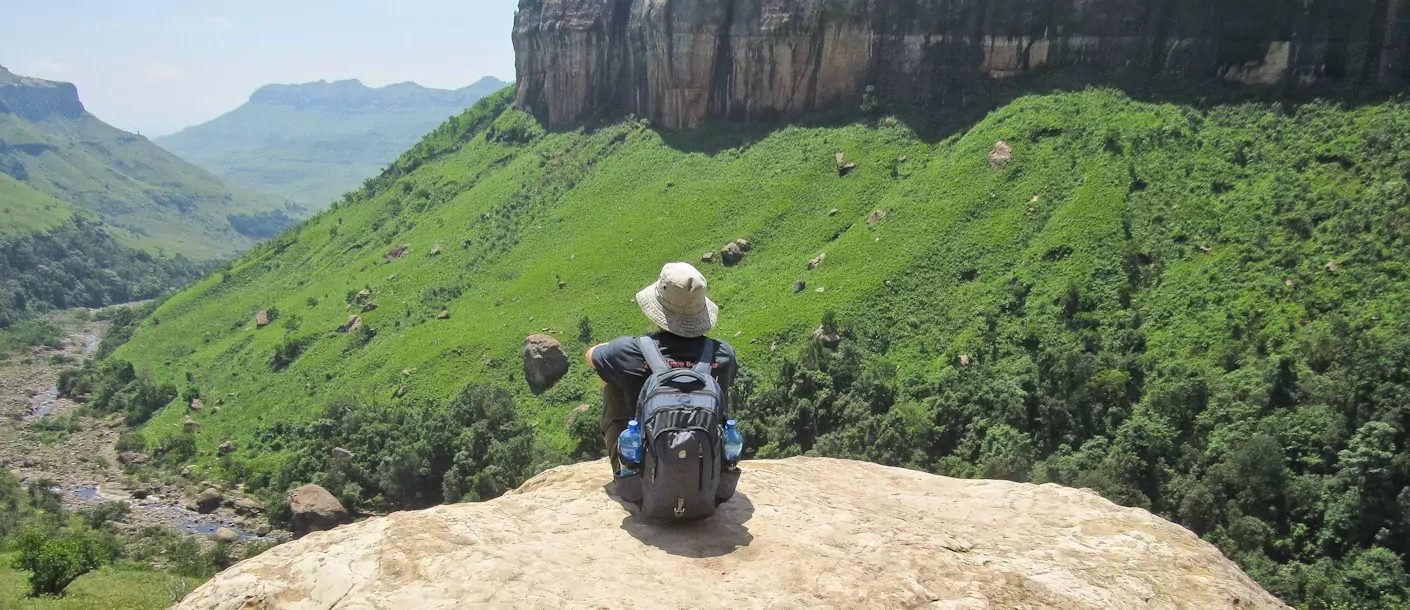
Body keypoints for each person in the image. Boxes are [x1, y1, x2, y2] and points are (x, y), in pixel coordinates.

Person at [586, 262, 737, 472]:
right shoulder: (724, 354)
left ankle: (628, 464)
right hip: (707, 482)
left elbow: (590, 356)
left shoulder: (628, 351)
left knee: (610, 376)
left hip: (644, 484)